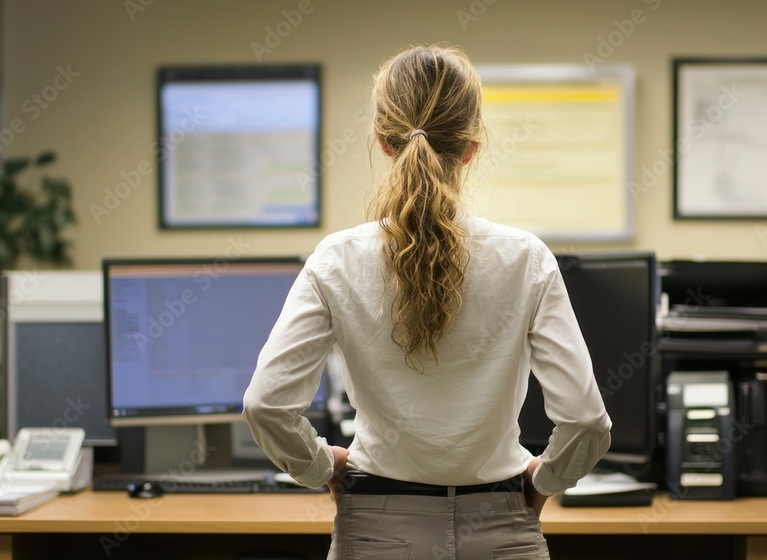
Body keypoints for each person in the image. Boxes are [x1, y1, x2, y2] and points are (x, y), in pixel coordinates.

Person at [242, 44, 611, 560]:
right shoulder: (526, 258)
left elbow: (266, 405)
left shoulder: (336, 258)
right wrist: (543, 482)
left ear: (383, 142)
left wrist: (321, 467)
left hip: (376, 530)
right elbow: (587, 421)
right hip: (502, 526)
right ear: (471, 147)